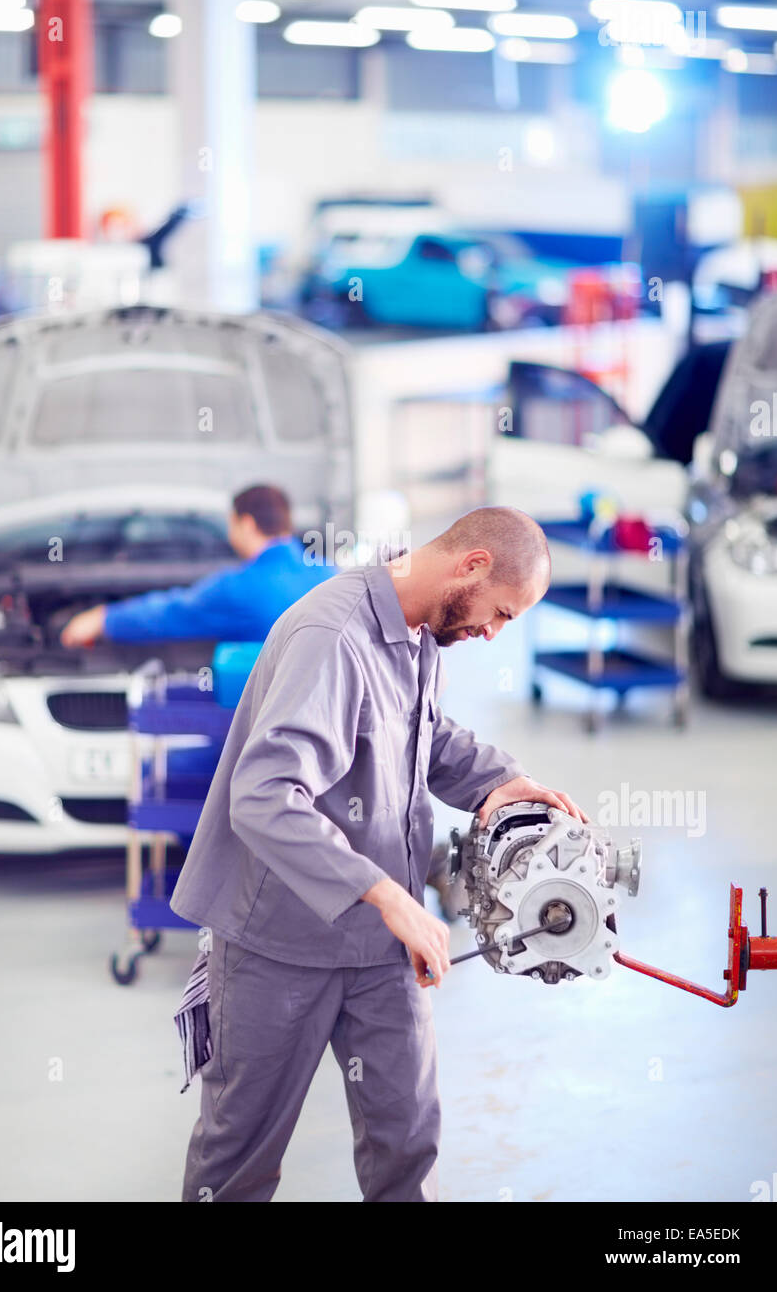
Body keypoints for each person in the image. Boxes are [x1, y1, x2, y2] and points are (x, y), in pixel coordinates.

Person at [171, 506, 587, 1203]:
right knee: (238, 1158)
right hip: (281, 946)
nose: (492, 633)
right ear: (473, 565)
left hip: (380, 948)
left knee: (406, 1140)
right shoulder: (332, 636)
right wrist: (390, 895)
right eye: (503, 614)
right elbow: (265, 795)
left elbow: (421, 733)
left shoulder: (419, 628)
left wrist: (500, 780)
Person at [59, 484, 332, 649]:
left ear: (246, 524)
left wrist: (104, 619)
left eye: (231, 523)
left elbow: (171, 614)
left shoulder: (239, 588)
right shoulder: (331, 577)